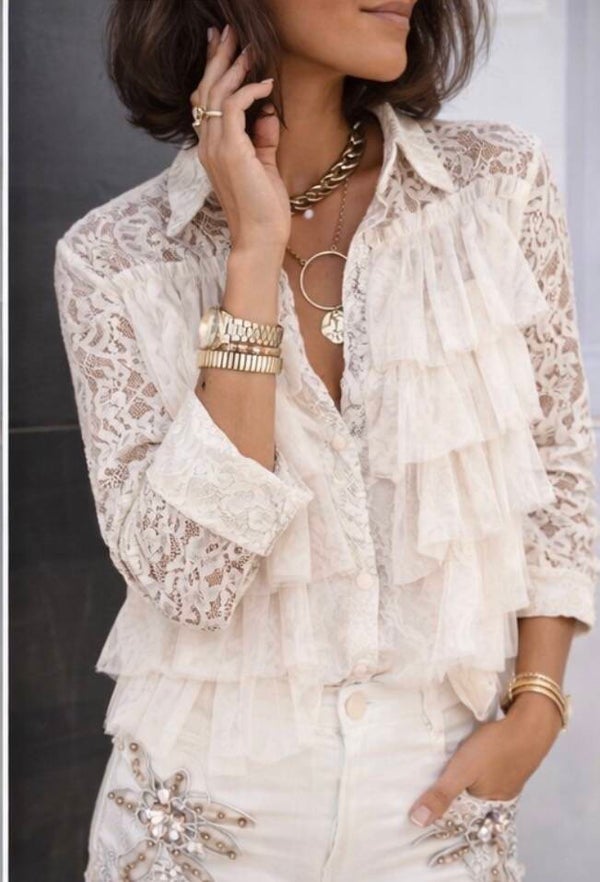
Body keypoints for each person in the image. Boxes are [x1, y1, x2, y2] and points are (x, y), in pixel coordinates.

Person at [53, 1, 599, 880]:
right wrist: (253, 255)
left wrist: (538, 706)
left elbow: (560, 461)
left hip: (436, 817)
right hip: (202, 827)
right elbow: (191, 580)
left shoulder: (495, 185)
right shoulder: (114, 260)